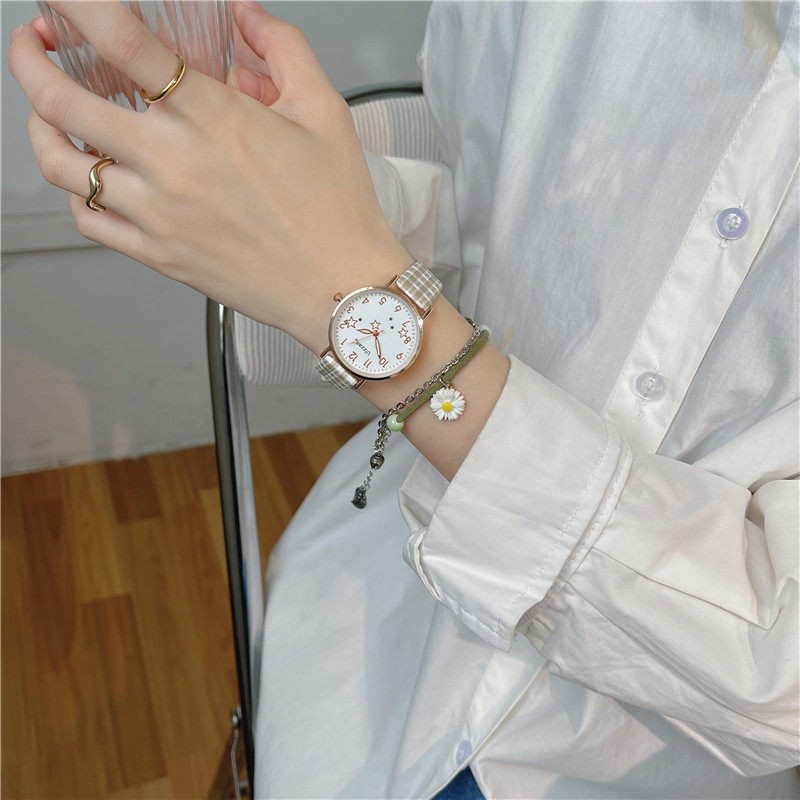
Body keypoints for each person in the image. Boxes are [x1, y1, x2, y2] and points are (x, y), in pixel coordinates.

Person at [9, 1, 798, 797]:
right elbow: (485, 222)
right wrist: (279, 195)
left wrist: (350, 290)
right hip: (382, 614)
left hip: (649, 754)